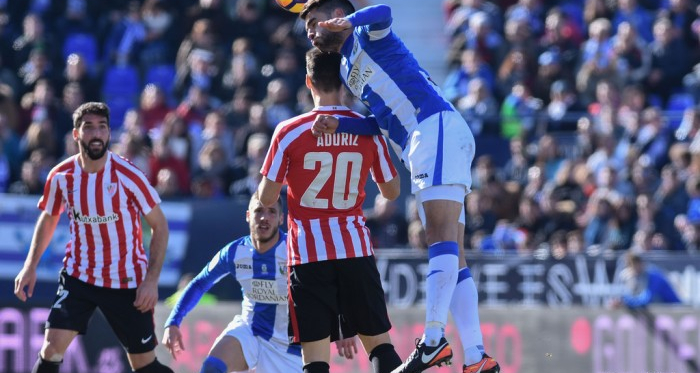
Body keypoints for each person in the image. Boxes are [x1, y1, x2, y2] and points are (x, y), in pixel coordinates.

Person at [301, 1, 500, 373]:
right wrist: (340, 125)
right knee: (452, 252)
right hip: (425, 139)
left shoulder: (366, 34)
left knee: (440, 240)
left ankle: (434, 339)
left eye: (314, 22)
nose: (310, 32)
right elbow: (381, 121)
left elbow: (385, 11)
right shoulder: (345, 68)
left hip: (433, 129)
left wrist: (352, 18)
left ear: (336, 16)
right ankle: (476, 357)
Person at [257, 48, 402, 373]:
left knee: (316, 361)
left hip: (308, 257)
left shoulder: (289, 130)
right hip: (354, 249)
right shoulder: (365, 128)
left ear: (308, 81)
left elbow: (267, 198)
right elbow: (392, 192)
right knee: (380, 347)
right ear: (345, 82)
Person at [13, 102, 173, 373]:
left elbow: (160, 226)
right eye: (88, 127)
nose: (96, 134)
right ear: (76, 134)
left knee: (144, 365)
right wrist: (30, 266)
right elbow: (50, 216)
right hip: (80, 276)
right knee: (51, 348)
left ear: (110, 133)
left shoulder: (128, 175)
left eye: (102, 127)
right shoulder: (61, 176)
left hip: (126, 281)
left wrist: (151, 282)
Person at [163, 194, 348, 373]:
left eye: (271, 212)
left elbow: (331, 285)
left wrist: (342, 325)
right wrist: (173, 321)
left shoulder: (297, 251)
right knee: (212, 367)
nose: (264, 218)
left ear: (282, 219)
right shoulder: (234, 252)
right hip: (250, 332)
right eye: (259, 210)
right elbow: (199, 284)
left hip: (288, 347)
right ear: (248, 215)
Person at [611, 251, 682, 309]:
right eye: (630, 264)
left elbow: (646, 300)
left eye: (634, 263)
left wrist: (625, 302)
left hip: (675, 311)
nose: (631, 267)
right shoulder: (641, 276)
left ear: (641, 263)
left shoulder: (654, 276)